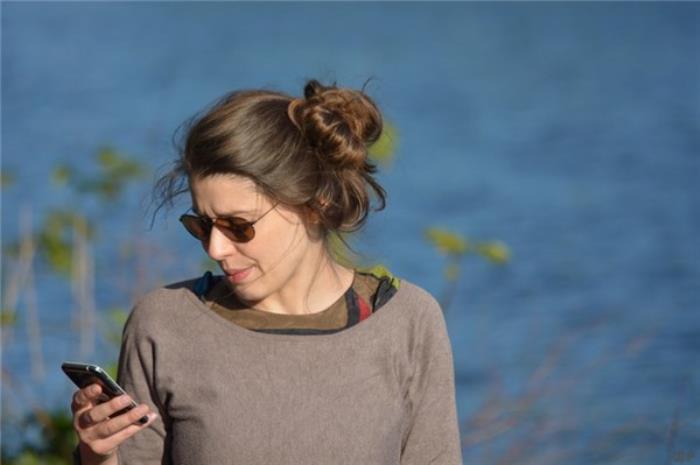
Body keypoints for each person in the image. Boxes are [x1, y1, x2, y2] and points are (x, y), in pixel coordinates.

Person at [69, 78, 463, 465]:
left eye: (239, 225)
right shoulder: (164, 324)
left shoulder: (407, 322)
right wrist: (97, 457)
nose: (215, 249)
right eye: (202, 225)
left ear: (317, 204)